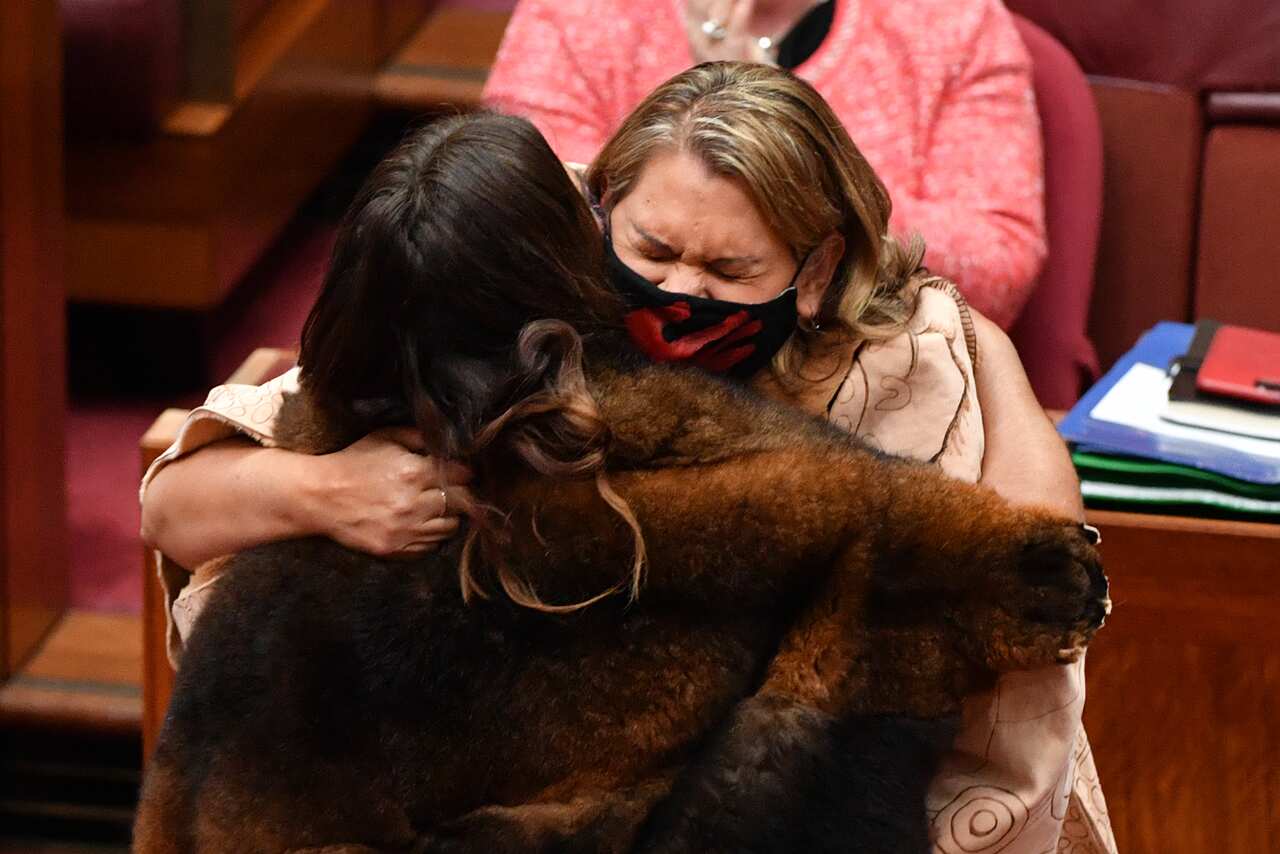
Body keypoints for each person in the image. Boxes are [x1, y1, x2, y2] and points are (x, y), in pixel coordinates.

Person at [141, 63, 1113, 853]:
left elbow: (1040, 569)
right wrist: (319, 487)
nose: (681, 290)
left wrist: (990, 348)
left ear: (814, 271)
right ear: (598, 212)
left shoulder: (902, 355)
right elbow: (176, 504)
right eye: (654, 249)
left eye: (730, 270)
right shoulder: (526, 300)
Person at [483, 0, 1048, 330]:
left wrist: (787, 169)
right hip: (602, 378)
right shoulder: (580, 13)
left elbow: (998, 271)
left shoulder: (950, 21)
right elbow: (518, 214)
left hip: (863, 387)